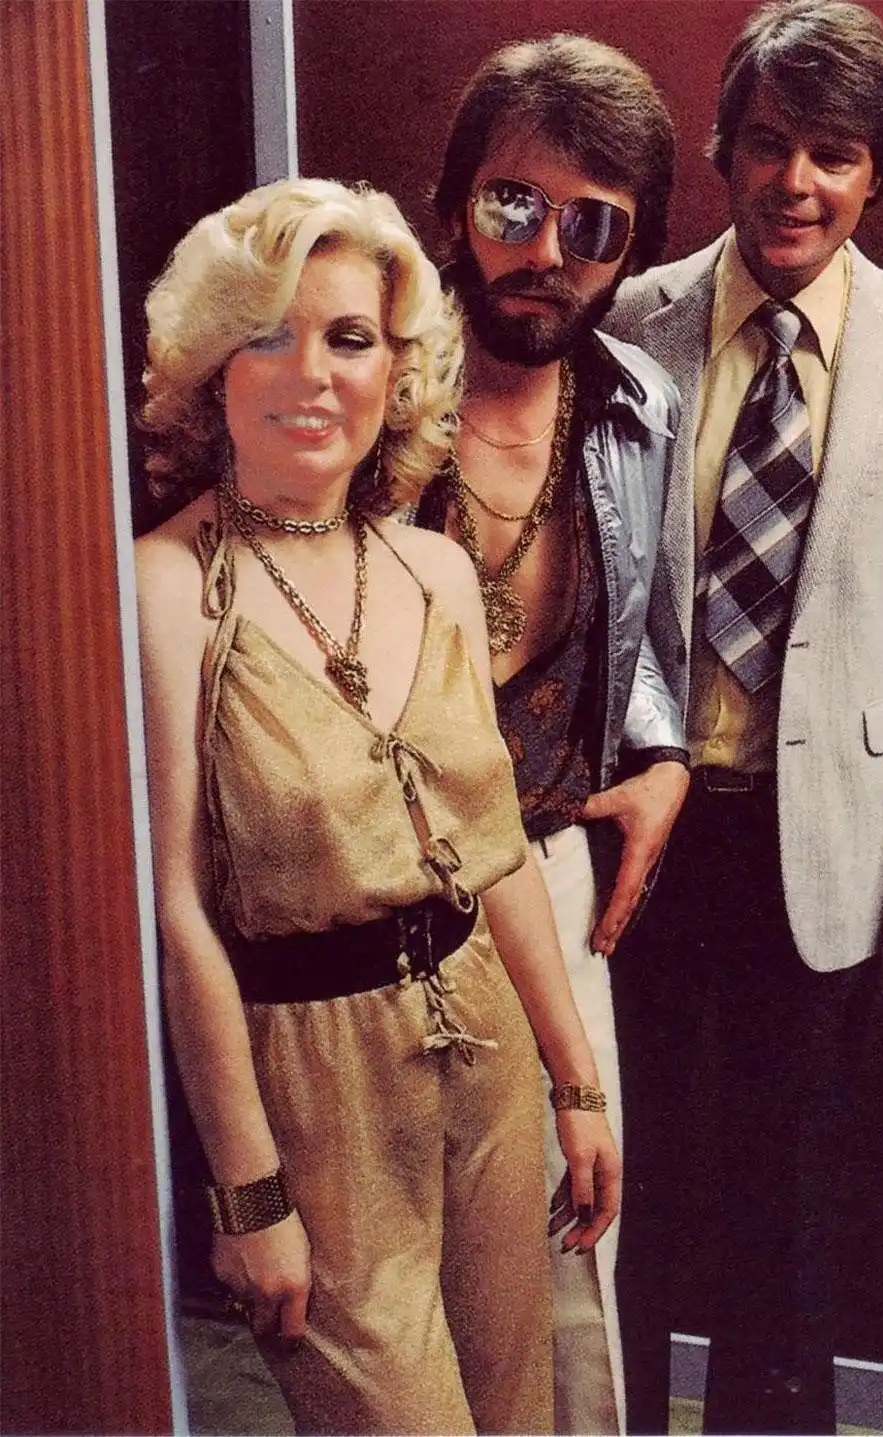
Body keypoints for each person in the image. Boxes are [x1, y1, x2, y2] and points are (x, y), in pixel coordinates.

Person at [136, 176, 622, 1437]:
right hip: (313, 1075)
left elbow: (495, 852)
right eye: (267, 333)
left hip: (486, 1040)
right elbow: (178, 915)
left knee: (516, 1413)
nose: (312, 373)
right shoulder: (164, 588)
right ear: (210, 367)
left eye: (349, 337)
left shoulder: (435, 569)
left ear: (397, 370)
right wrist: (247, 1192)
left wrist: (578, 1084)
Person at [604, 2, 883, 1432]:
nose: (795, 183)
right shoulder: (629, 317)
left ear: (875, 175)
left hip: (823, 841)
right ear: (722, 148)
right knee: (623, 1183)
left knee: (791, 1209)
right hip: (635, 837)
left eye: (833, 154)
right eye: (768, 144)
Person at [416, 35, 689, 1436]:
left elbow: (648, 637)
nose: (544, 256)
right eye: (513, 206)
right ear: (452, 204)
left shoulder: (640, 408)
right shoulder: (366, 395)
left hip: (551, 871)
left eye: (594, 228)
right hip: (370, 895)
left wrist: (663, 758)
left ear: (630, 251)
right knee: (391, 1275)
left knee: (574, 1258)